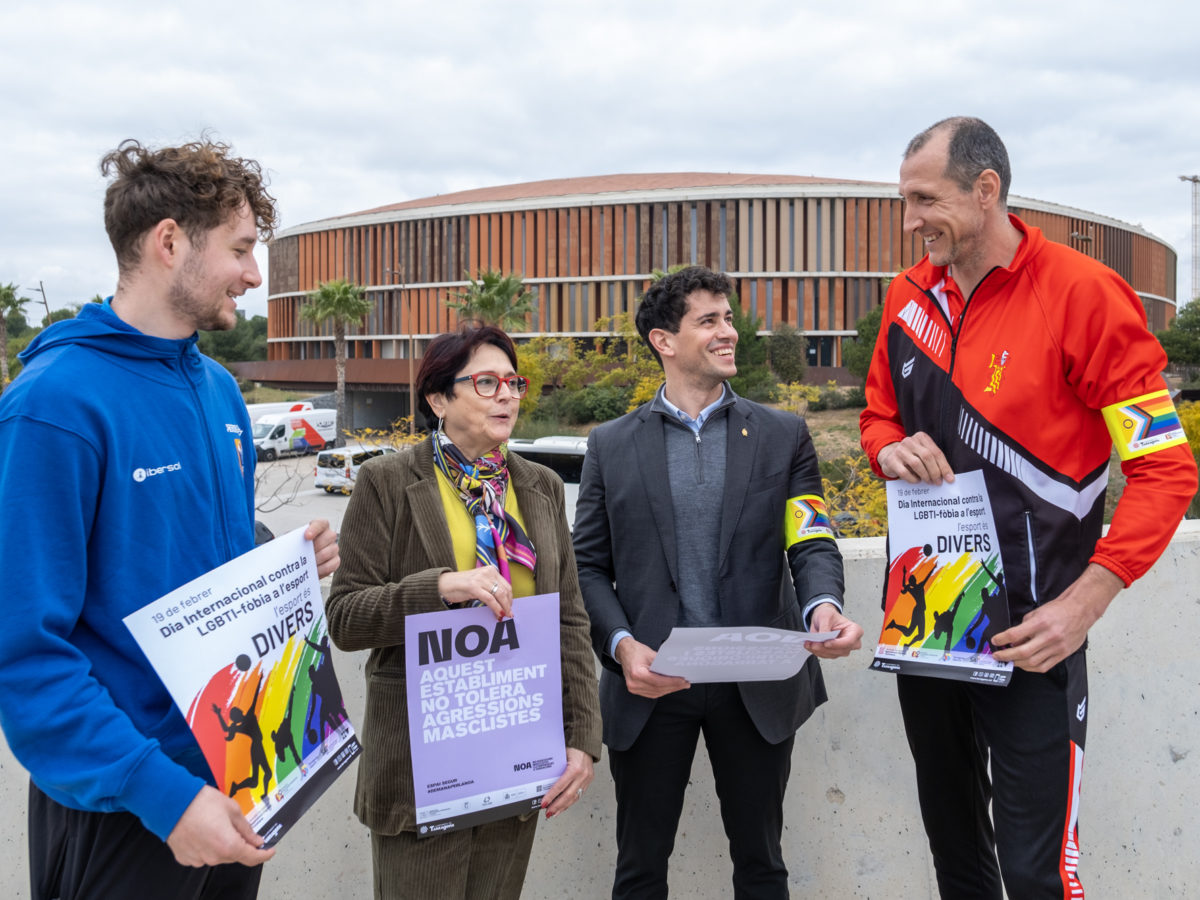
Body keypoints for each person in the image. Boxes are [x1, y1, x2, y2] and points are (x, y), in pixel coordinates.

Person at [860, 116, 1198, 898]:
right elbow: (878, 413)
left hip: (1033, 638)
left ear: (987, 191)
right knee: (958, 861)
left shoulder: (1085, 295)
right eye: (903, 201)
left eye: (923, 200)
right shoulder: (907, 297)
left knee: (1037, 874)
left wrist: (1087, 601)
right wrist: (883, 448)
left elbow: (1164, 472)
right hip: (930, 627)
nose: (909, 222)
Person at [0, 138, 341, 900]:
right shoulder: (54, 407)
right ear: (168, 242)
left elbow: (191, 552)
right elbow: (23, 653)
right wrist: (160, 793)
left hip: (233, 783)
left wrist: (278, 563)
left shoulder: (220, 390)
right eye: (243, 250)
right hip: (125, 801)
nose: (255, 275)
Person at [572, 265, 864, 899]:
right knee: (640, 872)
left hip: (754, 681)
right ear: (664, 342)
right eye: (709, 321)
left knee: (762, 867)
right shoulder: (611, 444)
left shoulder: (784, 434)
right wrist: (622, 647)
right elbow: (587, 566)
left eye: (727, 318)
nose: (728, 331)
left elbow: (809, 536)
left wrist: (823, 606)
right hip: (651, 683)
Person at [325, 324, 601, 900]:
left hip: (519, 756)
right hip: (422, 772)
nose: (507, 394)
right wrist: (440, 587)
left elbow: (568, 620)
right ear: (438, 399)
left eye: (512, 381)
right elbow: (346, 618)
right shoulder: (385, 482)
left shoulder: (542, 487)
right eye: (485, 382)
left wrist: (581, 736)